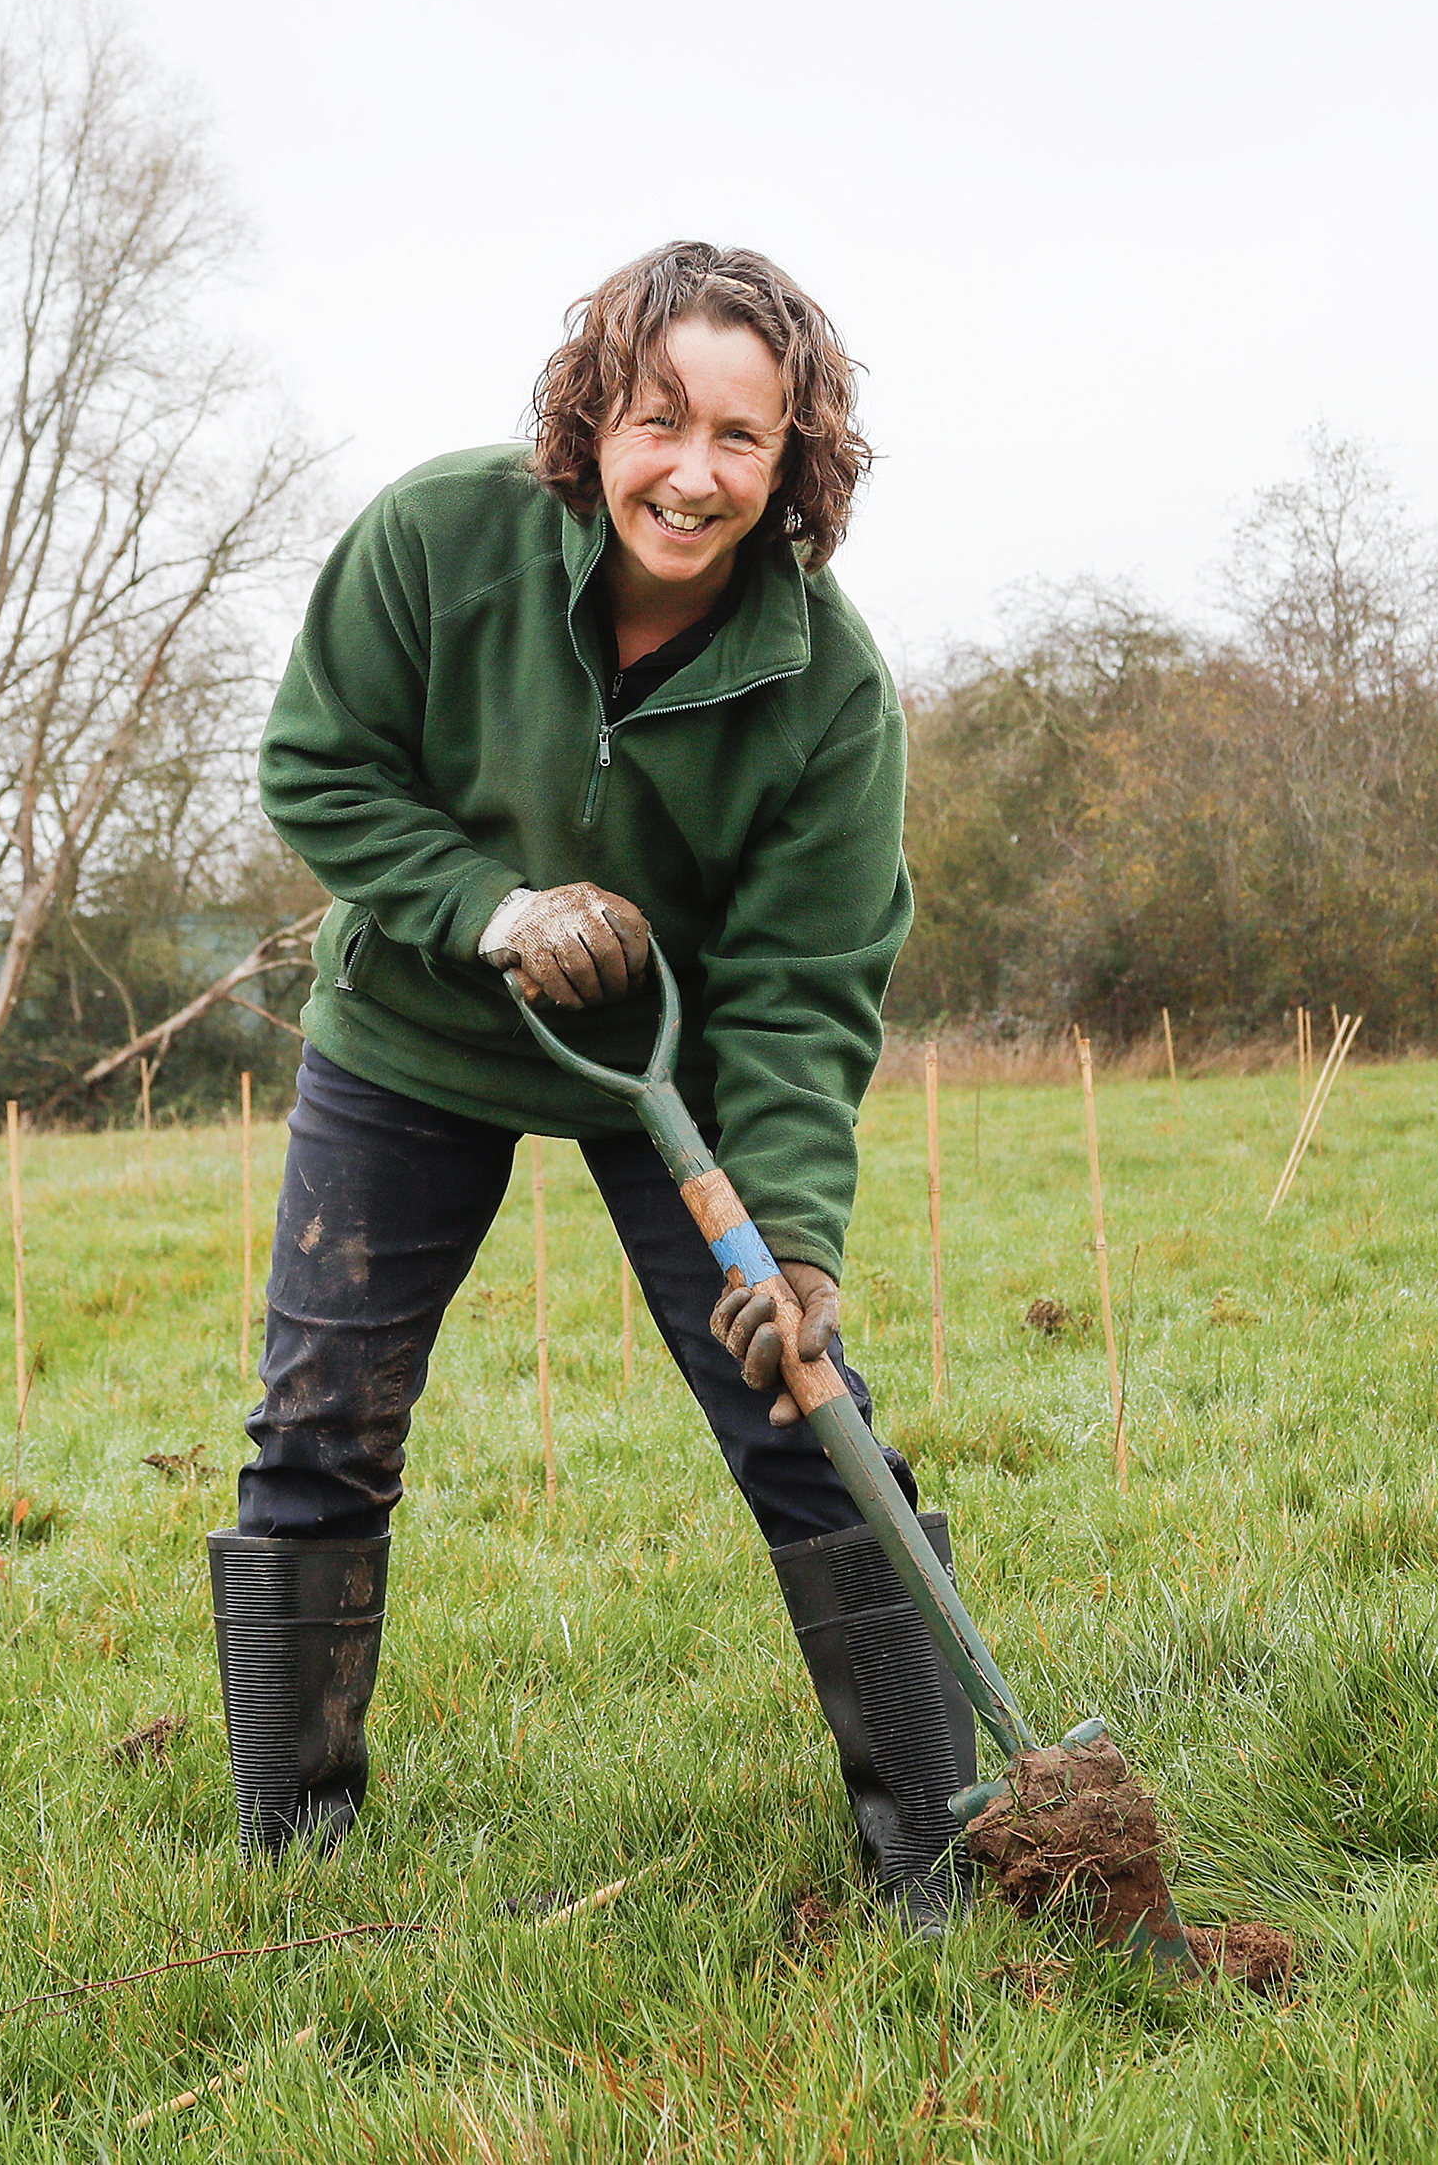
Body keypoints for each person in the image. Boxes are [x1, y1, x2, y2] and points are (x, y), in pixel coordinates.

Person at [216, 241, 970, 1921]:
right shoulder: (438, 540)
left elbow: (798, 995)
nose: (689, 475)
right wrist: (490, 907)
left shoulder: (828, 694)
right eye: (657, 422)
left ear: (794, 463)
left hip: (667, 1072)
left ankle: (933, 1835)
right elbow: (318, 769)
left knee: (801, 1412)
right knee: (321, 1430)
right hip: (414, 1033)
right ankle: (295, 1847)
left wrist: (798, 1253)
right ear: (592, 418)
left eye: (740, 439)